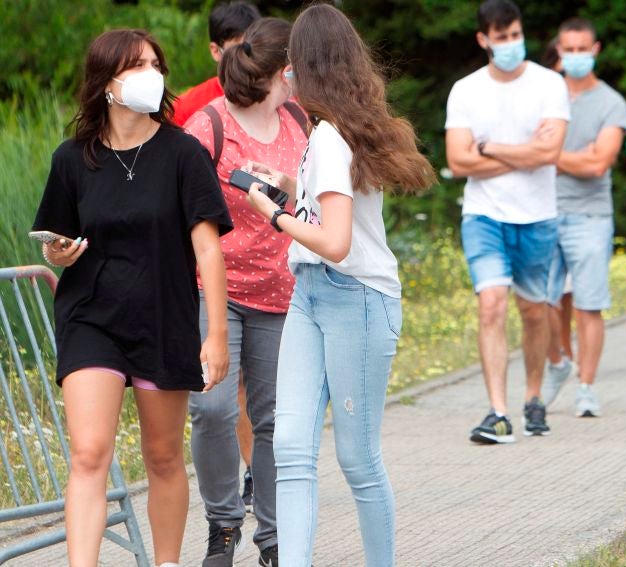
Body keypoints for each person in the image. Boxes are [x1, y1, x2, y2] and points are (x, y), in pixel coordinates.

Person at [31, 29, 232, 567]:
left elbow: (208, 251)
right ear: (106, 83)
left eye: (155, 65)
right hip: (90, 318)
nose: (152, 75)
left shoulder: (183, 153)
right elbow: (55, 242)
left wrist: (215, 334)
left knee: (163, 456)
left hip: (163, 317)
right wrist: (57, 253)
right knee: (88, 453)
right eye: (137, 66)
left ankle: (166, 562)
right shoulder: (71, 159)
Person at [243, 5, 435, 564]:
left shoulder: (330, 135)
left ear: (306, 66)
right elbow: (332, 204)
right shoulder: (335, 129)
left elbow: (336, 241)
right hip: (310, 293)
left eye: (291, 63)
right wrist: (287, 184)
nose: (286, 75)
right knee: (290, 447)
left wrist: (272, 214)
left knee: (358, 459)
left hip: (357, 298)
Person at [183, 17, 308, 567]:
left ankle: (276, 538)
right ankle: (224, 524)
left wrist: (288, 188)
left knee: (274, 419)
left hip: (282, 293)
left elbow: (320, 197)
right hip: (217, 290)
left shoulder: (299, 118)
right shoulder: (208, 126)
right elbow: (181, 209)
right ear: (285, 70)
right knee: (211, 408)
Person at [445, 0, 570, 444]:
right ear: (484, 40)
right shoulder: (466, 90)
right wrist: (525, 154)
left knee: (534, 311)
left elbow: (550, 154)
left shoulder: (550, 84)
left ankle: (534, 395)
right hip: (485, 214)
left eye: (516, 35)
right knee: (492, 303)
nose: (512, 44)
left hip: (537, 216)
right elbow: (458, 161)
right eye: (502, 38)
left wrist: (489, 147)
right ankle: (498, 411)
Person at [171, 0, 261, 513]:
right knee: (217, 391)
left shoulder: (281, 100)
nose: (246, 59)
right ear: (214, 51)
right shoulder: (191, 107)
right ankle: (230, 493)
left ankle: (256, 474)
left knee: (253, 388)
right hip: (208, 265)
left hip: (266, 266)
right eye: (235, 49)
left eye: (254, 47)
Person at [540, 17, 626, 417]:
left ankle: (587, 387)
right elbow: (522, 149)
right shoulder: (543, 95)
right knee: (540, 302)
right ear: (559, 51)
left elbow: (598, 164)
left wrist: (548, 155)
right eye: (568, 49)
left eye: (582, 49)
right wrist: (577, 157)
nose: (575, 56)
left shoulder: (611, 103)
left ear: (595, 50)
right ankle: (558, 363)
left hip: (590, 215)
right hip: (542, 209)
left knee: (589, 304)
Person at [172, 2, 261, 127]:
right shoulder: (185, 108)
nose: (248, 56)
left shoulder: (275, 99)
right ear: (216, 51)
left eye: (255, 47)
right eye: (239, 48)